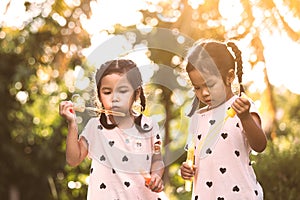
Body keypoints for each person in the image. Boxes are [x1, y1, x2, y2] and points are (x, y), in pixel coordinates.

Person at [59, 59, 166, 199]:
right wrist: (72, 124)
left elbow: (157, 160)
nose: (115, 98)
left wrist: (156, 176)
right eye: (107, 92)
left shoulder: (149, 126)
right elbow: (73, 160)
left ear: (137, 93)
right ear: (99, 95)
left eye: (122, 91)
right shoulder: (95, 127)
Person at [180, 39, 267, 200]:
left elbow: (260, 145)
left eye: (210, 85)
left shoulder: (242, 107)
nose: (204, 93)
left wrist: (245, 118)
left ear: (229, 77)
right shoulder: (198, 118)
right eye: (197, 88)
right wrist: (187, 169)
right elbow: (195, 158)